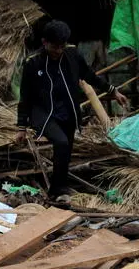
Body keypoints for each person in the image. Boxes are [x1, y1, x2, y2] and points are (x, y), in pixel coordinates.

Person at [15, 20, 128, 199]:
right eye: (54, 47)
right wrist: (21, 127)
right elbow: (25, 96)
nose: (59, 51)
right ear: (45, 42)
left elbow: (89, 75)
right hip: (42, 112)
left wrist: (113, 91)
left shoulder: (72, 54)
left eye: (62, 46)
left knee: (66, 149)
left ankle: (59, 187)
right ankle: (55, 190)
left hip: (67, 109)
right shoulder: (33, 63)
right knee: (61, 142)